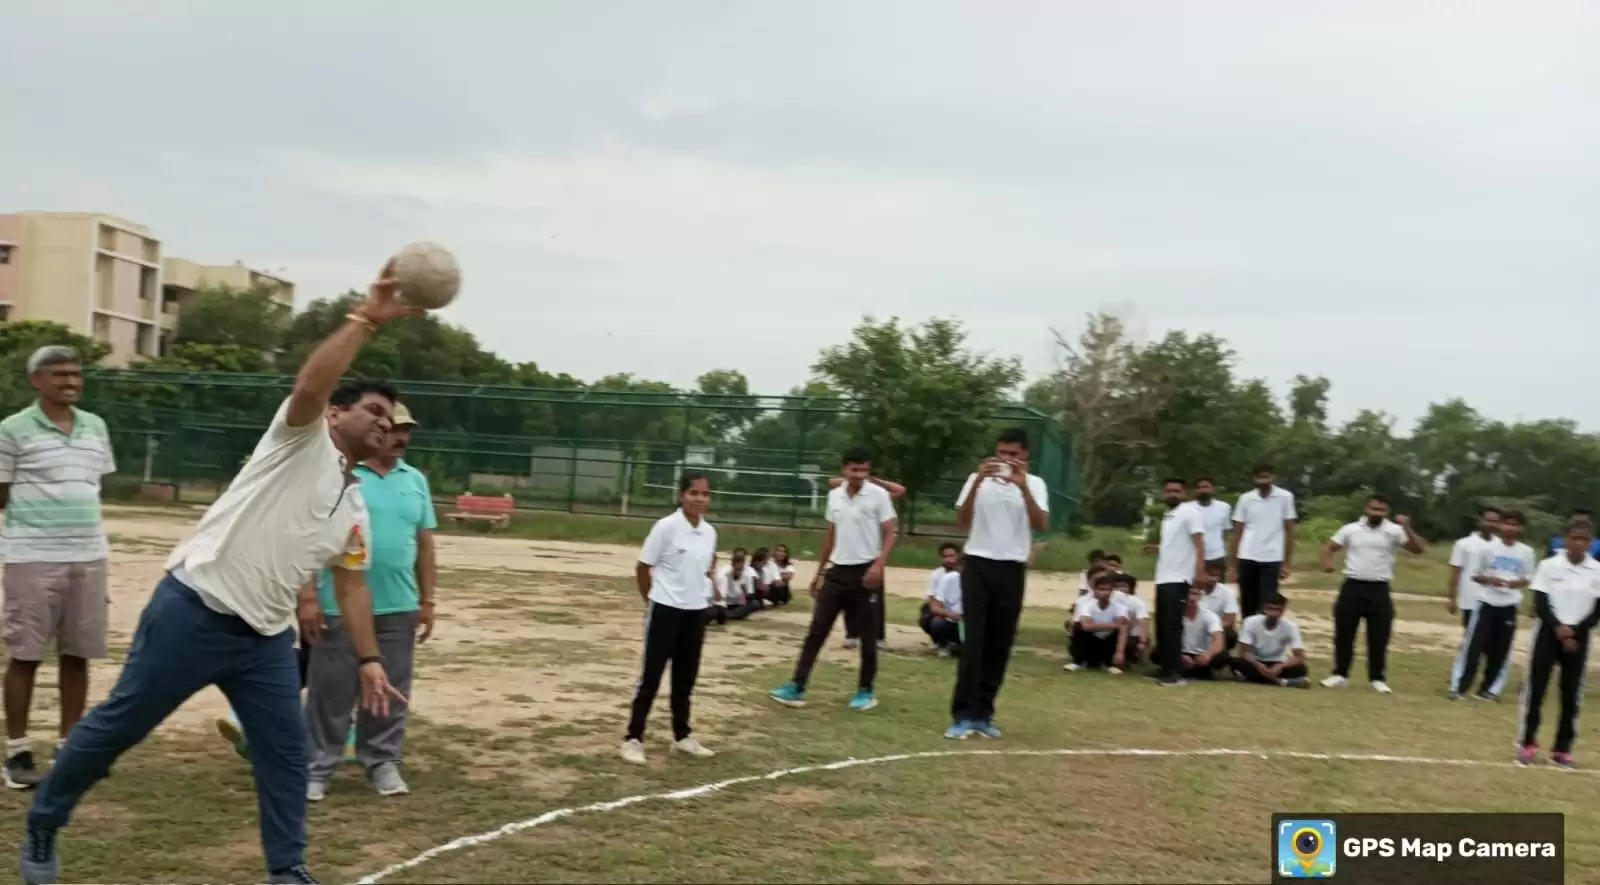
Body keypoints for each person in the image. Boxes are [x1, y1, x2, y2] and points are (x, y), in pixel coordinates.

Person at [20, 266, 413, 885]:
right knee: (119, 726)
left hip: (262, 640)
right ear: (336, 414)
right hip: (194, 611)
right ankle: (44, 822)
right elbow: (312, 382)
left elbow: (354, 585)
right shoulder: (301, 439)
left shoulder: (356, 506)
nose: (385, 424)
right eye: (372, 410)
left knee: (285, 755)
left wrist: (368, 659)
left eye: (391, 419)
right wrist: (364, 319)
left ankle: (287, 870)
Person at [301, 402, 437, 801]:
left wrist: (428, 600)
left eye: (407, 430)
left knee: (390, 689)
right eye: (394, 429)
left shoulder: (415, 480)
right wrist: (307, 594)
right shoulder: (339, 476)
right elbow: (308, 538)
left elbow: (425, 545)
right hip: (337, 604)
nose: (402, 437)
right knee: (331, 690)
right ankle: (317, 766)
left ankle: (382, 762)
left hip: (399, 606)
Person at [0, 346, 116, 791]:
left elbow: (92, 485)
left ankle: (72, 748)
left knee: (77, 653)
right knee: (25, 654)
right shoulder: (12, 430)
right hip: (31, 556)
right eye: (59, 374)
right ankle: (17, 751)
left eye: (75, 374)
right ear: (37, 380)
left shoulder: (95, 426)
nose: (70, 382)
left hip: (89, 555)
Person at [770, 449, 897, 712]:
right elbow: (831, 534)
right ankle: (797, 686)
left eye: (864, 470)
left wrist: (879, 565)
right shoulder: (834, 496)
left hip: (866, 572)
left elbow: (890, 531)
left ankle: (865, 690)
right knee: (817, 629)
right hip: (837, 572)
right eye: (854, 470)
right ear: (844, 470)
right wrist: (820, 571)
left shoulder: (879, 495)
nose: (859, 475)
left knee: (868, 635)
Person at [946, 428, 1048, 740]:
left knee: (999, 643)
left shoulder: (1034, 483)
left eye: (1014, 454)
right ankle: (962, 714)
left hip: (1012, 567)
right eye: (1002, 453)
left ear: (1025, 454)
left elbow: (1041, 524)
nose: (1006, 459)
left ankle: (983, 713)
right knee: (974, 641)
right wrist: (978, 480)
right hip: (977, 563)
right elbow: (961, 521)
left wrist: (1022, 488)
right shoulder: (978, 480)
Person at [622, 473, 719, 765]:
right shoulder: (665, 527)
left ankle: (682, 735)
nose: (699, 499)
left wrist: (705, 600)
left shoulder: (710, 532)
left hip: (695, 612)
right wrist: (651, 600)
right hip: (665, 609)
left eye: (704, 494)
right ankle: (633, 738)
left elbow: (705, 571)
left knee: (685, 677)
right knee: (651, 676)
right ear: (681, 495)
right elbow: (643, 567)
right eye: (693, 493)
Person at [1318, 494, 1426, 693]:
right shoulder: (1351, 529)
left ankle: (1377, 678)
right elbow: (1330, 546)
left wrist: (1407, 527)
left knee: (1379, 635)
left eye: (1381, 510)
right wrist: (1327, 562)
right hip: (1352, 585)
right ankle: (1339, 674)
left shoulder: (1394, 531)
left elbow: (1418, 549)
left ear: (1387, 512)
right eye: (1373, 509)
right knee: (1344, 633)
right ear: (1366, 509)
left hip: (1379, 587)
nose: (1376, 513)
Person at [1517, 518, 1600, 768]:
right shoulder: (1549, 565)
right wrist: (1559, 628)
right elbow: (1541, 601)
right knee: (1536, 690)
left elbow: (1597, 609)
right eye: (1574, 538)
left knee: (1571, 694)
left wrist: (1575, 631)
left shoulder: (1597, 569)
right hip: (1548, 634)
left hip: (1579, 638)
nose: (1578, 543)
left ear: (1591, 543)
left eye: (1584, 539)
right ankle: (1527, 743)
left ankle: (1563, 749)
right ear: (1566, 539)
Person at [1451, 510, 1534, 701]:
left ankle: (1489, 690)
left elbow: (1527, 578)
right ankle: (1459, 688)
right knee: (1473, 646)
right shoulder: (1488, 548)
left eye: (1515, 524)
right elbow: (1475, 574)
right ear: (1501, 526)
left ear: (1521, 528)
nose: (1510, 528)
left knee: (1501, 649)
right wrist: (1490, 579)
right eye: (1507, 523)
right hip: (1486, 602)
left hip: (1509, 604)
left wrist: (1514, 583)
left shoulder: (1526, 552)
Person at [832, 472, 904, 651]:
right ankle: (852, 634)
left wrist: (875, 481)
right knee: (848, 598)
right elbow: (831, 481)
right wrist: (854, 479)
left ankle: (878, 636)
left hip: (870, 553)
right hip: (848, 553)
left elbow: (900, 490)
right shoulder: (843, 493)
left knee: (874, 599)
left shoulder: (877, 495)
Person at [1151, 478, 1208, 686]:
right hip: (1163, 577)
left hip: (1179, 578)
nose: (1172, 494)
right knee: (1162, 625)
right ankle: (1165, 667)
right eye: (1168, 491)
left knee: (1173, 626)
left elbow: (1200, 543)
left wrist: (1200, 571)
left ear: (1185, 493)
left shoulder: (1190, 512)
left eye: (1176, 490)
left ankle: (1174, 673)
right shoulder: (1168, 516)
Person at [1448, 506, 1505, 697]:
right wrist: (1452, 598)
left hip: (1495, 601)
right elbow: (1456, 572)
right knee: (1470, 642)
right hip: (1471, 600)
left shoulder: (1502, 545)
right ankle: (1460, 681)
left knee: (1493, 646)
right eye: (1488, 520)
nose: (1491, 524)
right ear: (1480, 521)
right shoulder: (1464, 544)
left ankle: (1488, 685)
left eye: (1495, 521)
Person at [1227, 464, 1297, 617]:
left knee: (1268, 601)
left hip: (1272, 557)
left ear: (1273, 477)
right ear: (1254, 479)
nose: (1263, 480)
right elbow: (1237, 533)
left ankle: (1264, 637)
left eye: (1266, 476)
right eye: (1260, 477)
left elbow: (1289, 531)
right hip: (1247, 556)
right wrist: (1233, 566)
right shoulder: (1246, 499)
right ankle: (1248, 637)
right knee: (1247, 602)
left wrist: (1286, 563)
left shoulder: (1285, 497)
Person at [1230, 595, 1311, 688]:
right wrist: (1258, 665)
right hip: (1255, 661)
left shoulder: (1291, 627)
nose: (1273, 613)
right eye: (1270, 608)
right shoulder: (1250, 622)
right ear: (1264, 608)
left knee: (1301, 669)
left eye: (1277, 609)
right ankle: (1280, 682)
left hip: (1277, 662)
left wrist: (1281, 666)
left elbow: (1299, 657)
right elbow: (1244, 652)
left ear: (1283, 610)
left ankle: (1256, 678)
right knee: (1237, 663)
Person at [1064, 573, 1129, 673]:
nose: (1105, 593)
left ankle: (1110, 664)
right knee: (1079, 628)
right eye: (1101, 589)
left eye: (1108, 589)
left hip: (1107, 641)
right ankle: (1077, 662)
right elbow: (1086, 626)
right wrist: (1114, 625)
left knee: (1117, 634)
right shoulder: (1086, 606)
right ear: (1095, 591)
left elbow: (1123, 629)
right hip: (1091, 640)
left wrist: (1120, 652)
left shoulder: (1120, 608)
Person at [921, 545, 963, 657]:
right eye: (945, 556)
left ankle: (958, 643)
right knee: (930, 617)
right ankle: (941, 643)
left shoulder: (967, 575)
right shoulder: (938, 575)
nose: (948, 560)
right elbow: (933, 604)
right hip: (946, 612)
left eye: (951, 556)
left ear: (958, 556)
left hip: (964, 615)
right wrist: (948, 614)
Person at [1179, 585, 1228, 680]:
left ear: (1200, 596)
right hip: (1182, 653)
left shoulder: (1210, 616)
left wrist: (1208, 654)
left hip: (1201, 654)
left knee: (1223, 656)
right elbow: (1169, 638)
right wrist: (1179, 655)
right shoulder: (1176, 614)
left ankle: (1197, 670)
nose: (1191, 597)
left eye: (1194, 594)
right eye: (1188, 593)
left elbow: (1219, 642)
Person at [1187, 476, 1232, 572]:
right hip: (1192, 557)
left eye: (1206, 487)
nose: (1203, 490)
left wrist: (1229, 558)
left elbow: (1226, 533)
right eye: (1200, 487)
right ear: (1196, 490)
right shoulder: (1187, 508)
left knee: (1217, 586)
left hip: (1217, 557)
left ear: (1212, 489)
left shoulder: (1224, 507)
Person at [1196, 561, 1241, 650]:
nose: (1213, 579)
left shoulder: (1227, 592)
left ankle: (1219, 652)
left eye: (1216, 576)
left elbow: (1230, 620)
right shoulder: (1192, 590)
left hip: (1215, 630)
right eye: (1210, 575)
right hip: (1194, 629)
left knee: (1231, 635)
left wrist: (1212, 629)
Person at [710, 548, 761, 624]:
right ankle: (730, 614)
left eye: (740, 569)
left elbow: (749, 597)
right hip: (725, 602)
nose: (739, 572)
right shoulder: (724, 574)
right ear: (732, 566)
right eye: (737, 569)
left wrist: (745, 591)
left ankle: (729, 615)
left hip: (738, 603)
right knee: (718, 609)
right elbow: (720, 597)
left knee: (755, 604)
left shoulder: (747, 576)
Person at [1108, 572, 1149, 666]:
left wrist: (1143, 642)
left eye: (1123, 586)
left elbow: (1144, 622)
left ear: (1131, 588)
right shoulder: (1110, 600)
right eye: (1116, 587)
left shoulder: (1138, 603)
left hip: (1133, 637)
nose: (1120, 590)